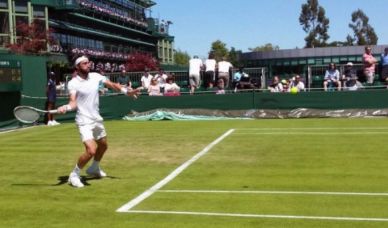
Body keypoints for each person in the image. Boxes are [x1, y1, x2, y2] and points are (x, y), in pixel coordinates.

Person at [57, 56, 140, 188]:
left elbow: (112, 84)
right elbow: (73, 102)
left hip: (96, 119)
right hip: (84, 120)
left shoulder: (96, 76)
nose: (88, 64)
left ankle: (94, 168)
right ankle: (74, 174)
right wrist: (66, 107)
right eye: (84, 63)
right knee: (91, 150)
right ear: (77, 67)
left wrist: (126, 91)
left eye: (88, 63)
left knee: (104, 146)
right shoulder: (73, 83)